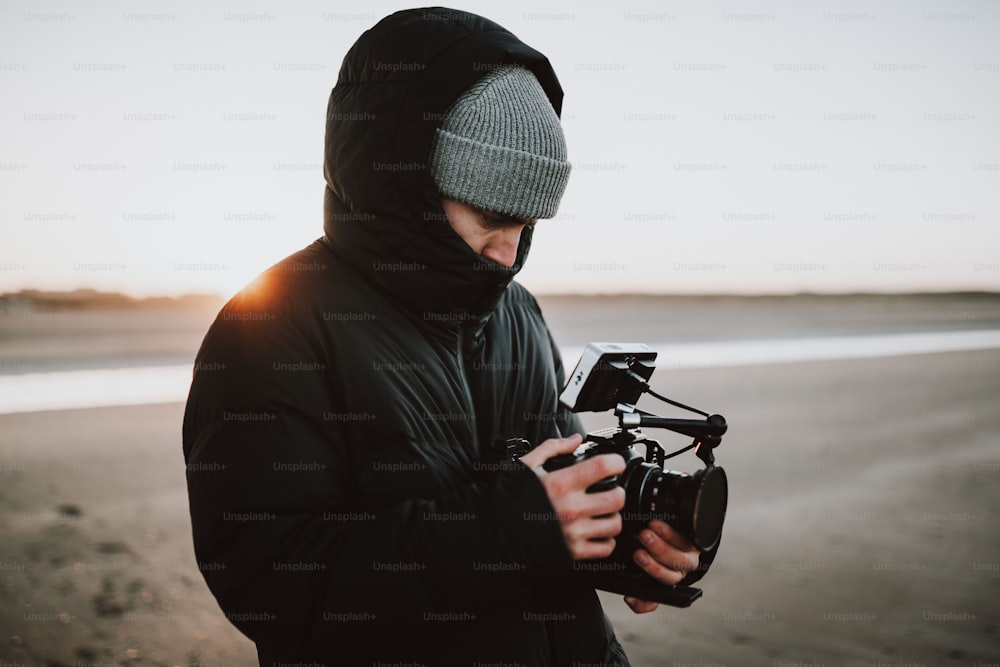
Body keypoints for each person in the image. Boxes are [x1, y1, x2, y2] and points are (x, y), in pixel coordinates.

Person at [182, 7, 699, 665]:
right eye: (492, 216)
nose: (509, 254)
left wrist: (631, 543)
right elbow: (271, 587)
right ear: (405, 178)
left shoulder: (519, 312)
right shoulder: (271, 325)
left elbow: (561, 489)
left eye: (530, 222)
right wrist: (510, 532)